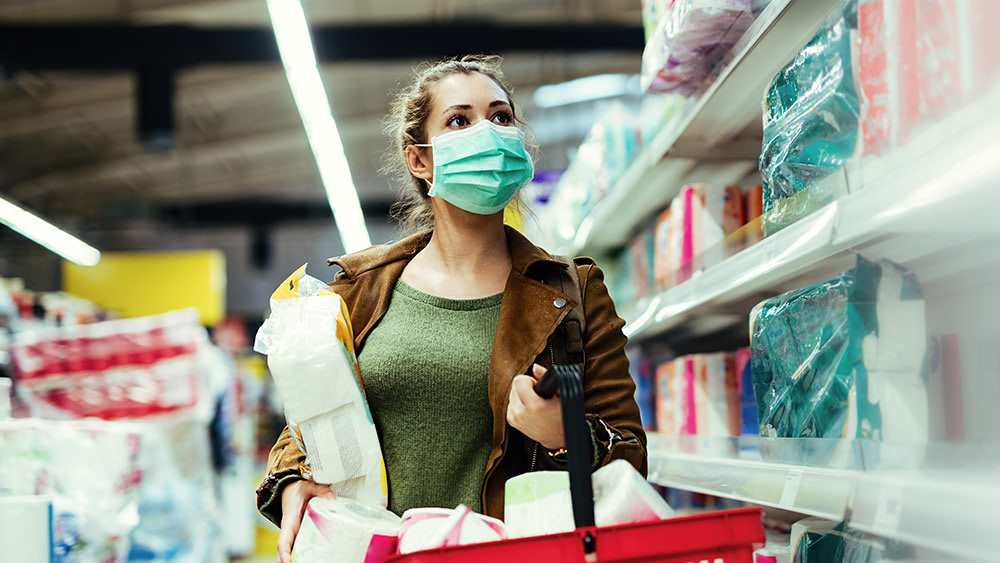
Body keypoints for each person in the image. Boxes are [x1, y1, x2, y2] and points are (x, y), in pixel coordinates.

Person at [256, 54, 646, 563]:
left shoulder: (573, 290)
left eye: (501, 117)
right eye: (459, 120)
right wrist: (291, 481)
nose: (488, 131)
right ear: (420, 159)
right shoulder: (360, 289)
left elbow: (632, 458)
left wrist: (563, 433)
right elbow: (308, 420)